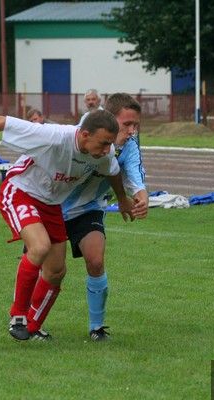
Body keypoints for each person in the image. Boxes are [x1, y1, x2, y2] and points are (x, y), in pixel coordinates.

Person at [0, 110, 137, 341]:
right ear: (85, 134)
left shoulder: (103, 155)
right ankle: (18, 316)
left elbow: (113, 172)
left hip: (51, 204)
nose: (108, 149)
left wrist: (123, 199)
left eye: (110, 143)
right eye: (104, 143)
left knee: (57, 271)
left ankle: (32, 326)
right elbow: (0, 121)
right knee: (40, 247)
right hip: (21, 191)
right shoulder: (54, 136)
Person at [63, 93, 148, 341]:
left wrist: (142, 198)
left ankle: (97, 328)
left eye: (136, 125)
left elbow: (135, 175)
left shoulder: (129, 145)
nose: (132, 131)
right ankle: (24, 319)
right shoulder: (83, 133)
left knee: (96, 261)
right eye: (127, 124)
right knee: (49, 268)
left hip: (89, 208)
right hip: (52, 205)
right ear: (109, 119)